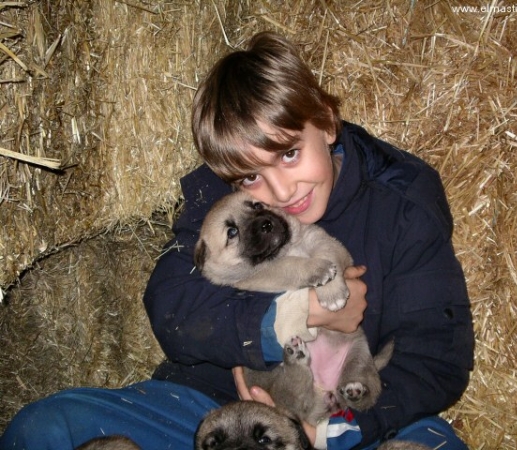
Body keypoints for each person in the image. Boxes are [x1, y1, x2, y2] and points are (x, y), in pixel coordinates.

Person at [0, 32, 474, 450]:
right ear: (227, 174)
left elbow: (434, 362)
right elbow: (172, 308)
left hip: (344, 416)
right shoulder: (216, 195)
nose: (280, 193)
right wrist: (285, 319)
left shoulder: (401, 206)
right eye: (249, 176)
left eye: (289, 153)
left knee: (434, 445)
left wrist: (335, 433)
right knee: (48, 428)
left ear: (327, 123)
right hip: (210, 405)